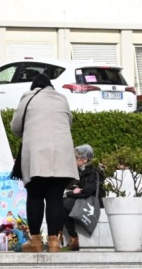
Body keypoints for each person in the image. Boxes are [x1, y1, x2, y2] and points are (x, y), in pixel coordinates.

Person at [11, 73, 78, 253]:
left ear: (34, 87)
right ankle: (54, 242)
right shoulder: (62, 98)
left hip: (37, 155)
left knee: (35, 195)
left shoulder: (28, 97)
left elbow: (15, 127)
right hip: (61, 155)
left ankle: (36, 242)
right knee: (55, 196)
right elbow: (68, 123)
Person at [62, 144, 103, 252]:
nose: (73, 160)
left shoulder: (94, 171)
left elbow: (87, 191)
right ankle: (67, 237)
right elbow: (74, 188)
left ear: (84, 160)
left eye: (76, 158)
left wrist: (70, 194)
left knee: (63, 204)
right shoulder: (80, 170)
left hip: (92, 201)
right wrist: (72, 192)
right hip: (82, 199)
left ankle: (73, 238)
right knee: (60, 204)